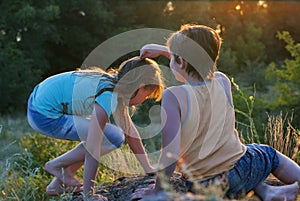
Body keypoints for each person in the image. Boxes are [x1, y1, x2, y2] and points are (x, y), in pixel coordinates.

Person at [131, 24, 300, 201]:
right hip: (243, 170)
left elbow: (170, 154)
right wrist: (168, 51)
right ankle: (271, 190)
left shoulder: (173, 96)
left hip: (205, 186)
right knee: (266, 153)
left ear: (181, 61)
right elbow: (197, 60)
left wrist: (158, 191)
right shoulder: (222, 81)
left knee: (242, 154)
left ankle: (267, 192)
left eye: (172, 58)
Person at [27, 56, 165, 200]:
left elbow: (129, 131)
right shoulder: (108, 95)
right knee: (111, 137)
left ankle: (59, 182)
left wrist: (148, 168)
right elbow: (93, 148)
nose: (143, 100)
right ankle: (56, 165)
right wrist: (89, 195)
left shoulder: (115, 85)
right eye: (147, 95)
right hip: (43, 115)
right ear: (141, 86)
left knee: (114, 136)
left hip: (37, 102)